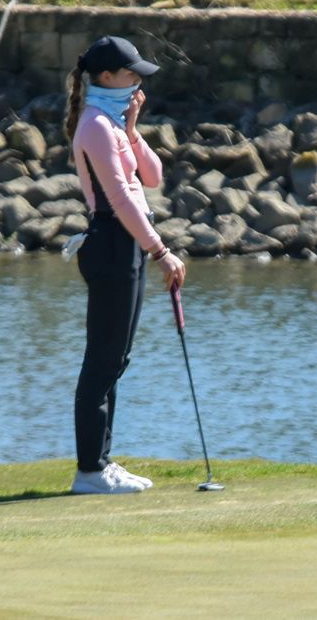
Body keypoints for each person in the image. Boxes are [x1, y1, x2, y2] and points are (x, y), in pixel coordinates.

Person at [64, 35, 187, 495]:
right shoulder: (94, 125)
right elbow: (116, 200)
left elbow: (151, 177)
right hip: (113, 243)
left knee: (116, 359)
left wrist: (134, 127)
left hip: (126, 244)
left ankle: (101, 462)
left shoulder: (113, 124)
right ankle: (90, 471)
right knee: (101, 361)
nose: (137, 79)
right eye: (130, 72)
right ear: (106, 77)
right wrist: (161, 251)